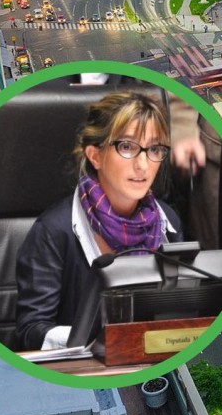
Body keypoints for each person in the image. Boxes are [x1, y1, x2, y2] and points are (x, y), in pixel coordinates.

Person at [16, 92, 184, 351]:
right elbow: (31, 330)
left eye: (154, 149)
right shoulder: (53, 231)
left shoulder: (167, 222)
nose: (143, 165)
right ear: (95, 156)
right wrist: (95, 341)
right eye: (127, 147)